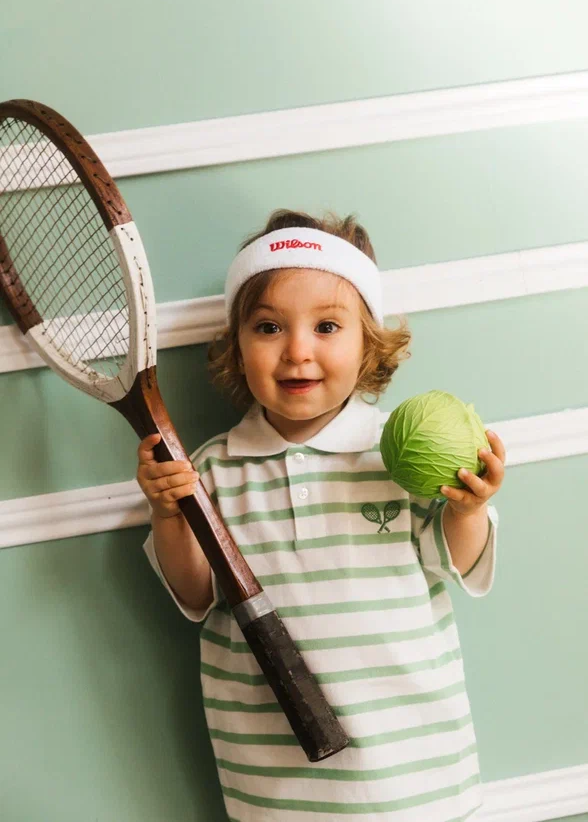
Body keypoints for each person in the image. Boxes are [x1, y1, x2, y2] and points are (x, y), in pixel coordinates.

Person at [137, 209, 505, 822]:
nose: (297, 352)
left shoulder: (398, 457)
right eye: (268, 327)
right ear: (237, 346)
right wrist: (169, 515)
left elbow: (459, 566)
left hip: (413, 771)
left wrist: (469, 510)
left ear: (369, 345)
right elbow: (197, 592)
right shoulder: (215, 472)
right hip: (276, 778)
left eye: (327, 326)